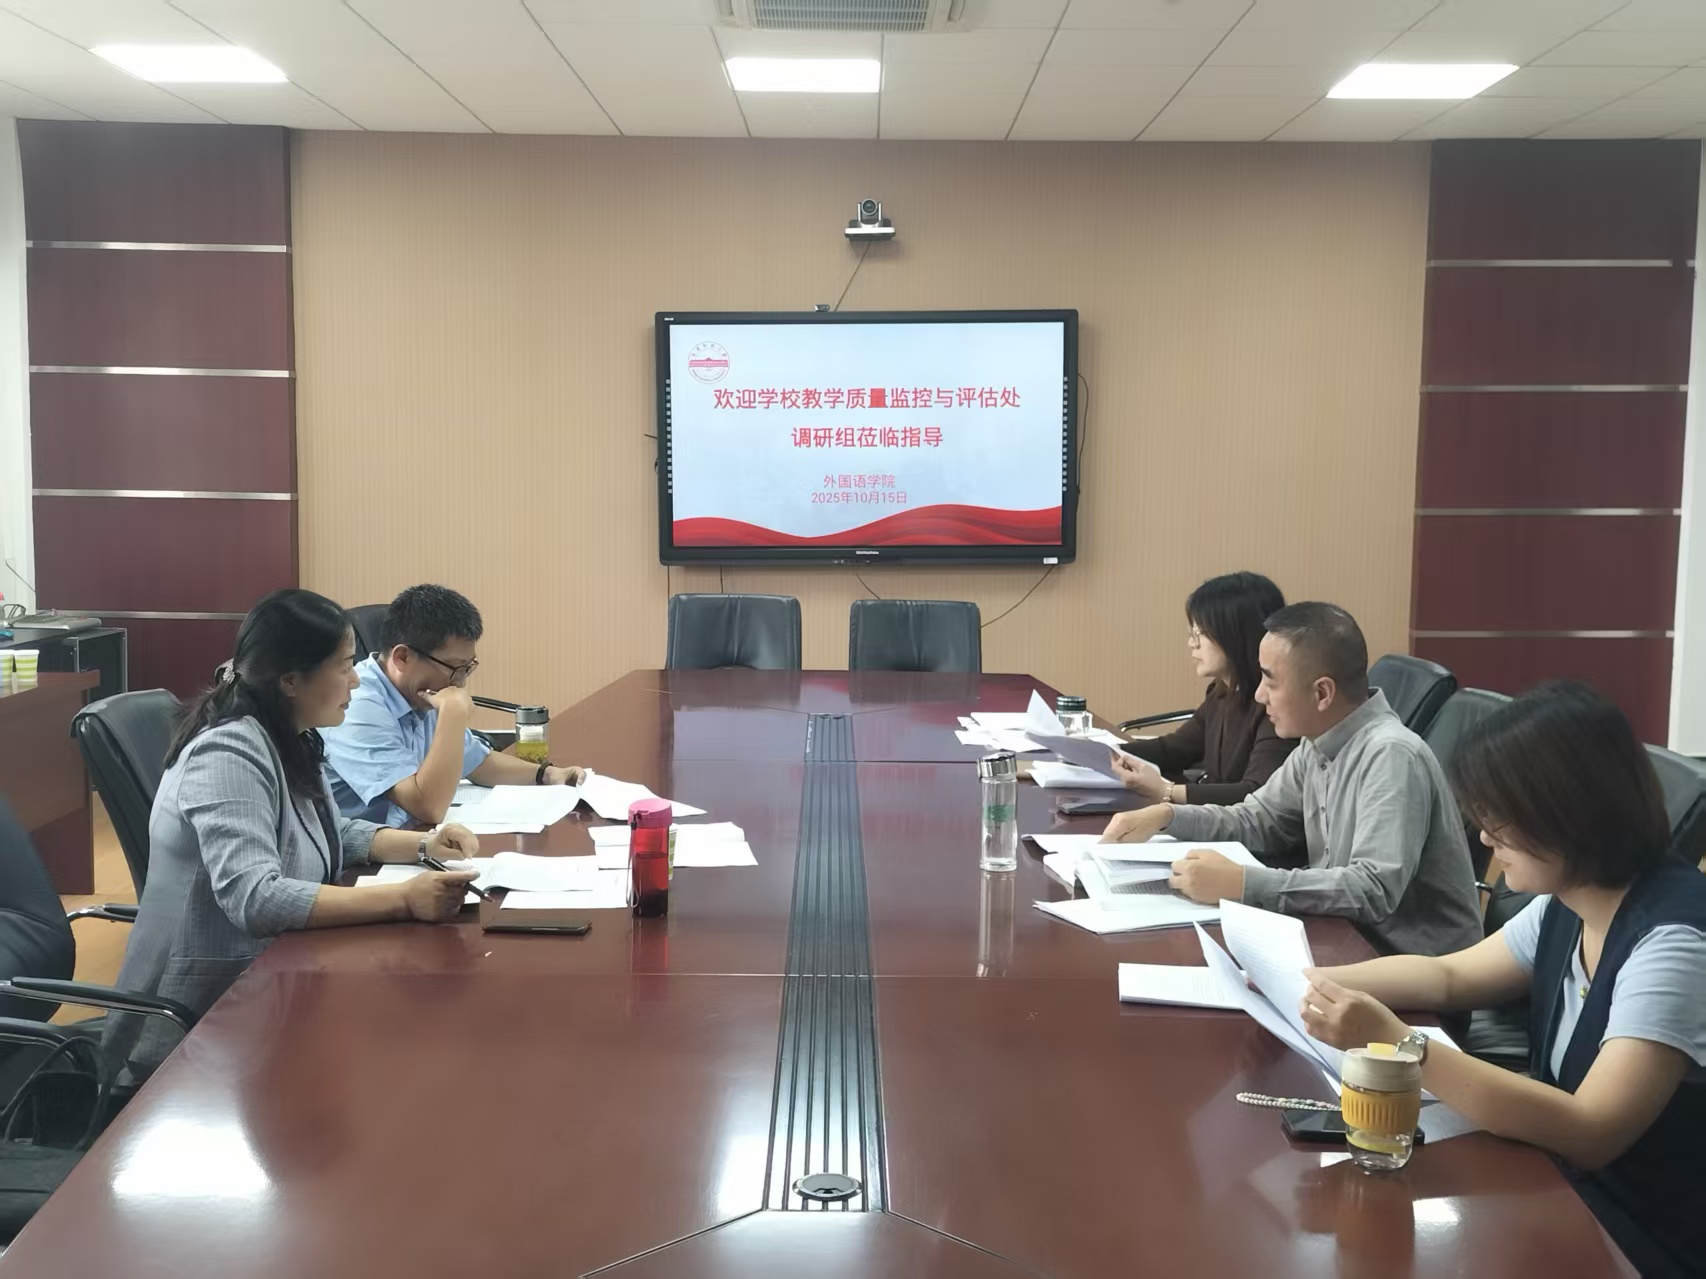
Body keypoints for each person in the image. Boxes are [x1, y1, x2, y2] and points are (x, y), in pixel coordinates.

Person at [1299, 683, 1706, 1279]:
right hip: (1560, 1189)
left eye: (1499, 817)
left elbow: (1592, 1130)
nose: (1485, 836)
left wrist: (1400, 1041)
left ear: (1569, 811)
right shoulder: (1571, 899)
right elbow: (1448, 975)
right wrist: (1308, 976)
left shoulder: (1675, 941)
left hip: (1638, 1237)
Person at [110, 589, 481, 1079]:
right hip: (197, 1027)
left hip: (272, 989)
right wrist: (404, 900)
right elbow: (256, 898)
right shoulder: (227, 753)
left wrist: (421, 846)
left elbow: (323, 829)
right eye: (344, 667)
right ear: (290, 680)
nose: (356, 679)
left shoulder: (292, 735)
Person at [1101, 601, 1481, 958]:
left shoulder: (1391, 755)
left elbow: (1372, 890)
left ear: (1322, 693)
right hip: (1339, 937)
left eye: (1270, 681)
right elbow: (1257, 819)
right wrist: (1167, 816)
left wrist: (1243, 883)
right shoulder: (1316, 742)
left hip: (1406, 963)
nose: (1258, 695)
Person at [320, 584, 585, 827]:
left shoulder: (419, 693)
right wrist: (452, 715)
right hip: (358, 855)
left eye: (467, 668)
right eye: (455, 668)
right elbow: (428, 807)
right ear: (403, 657)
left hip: (410, 837)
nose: (460, 682)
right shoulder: (357, 705)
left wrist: (548, 775)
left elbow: (479, 763)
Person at [1111, 571, 1296, 806]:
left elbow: (1256, 794)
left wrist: (1167, 791)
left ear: (1236, 636)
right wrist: (1108, 752)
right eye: (1192, 633)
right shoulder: (1221, 692)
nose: (1192, 643)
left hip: (1238, 825)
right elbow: (1177, 748)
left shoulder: (1275, 707)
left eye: (1200, 634)